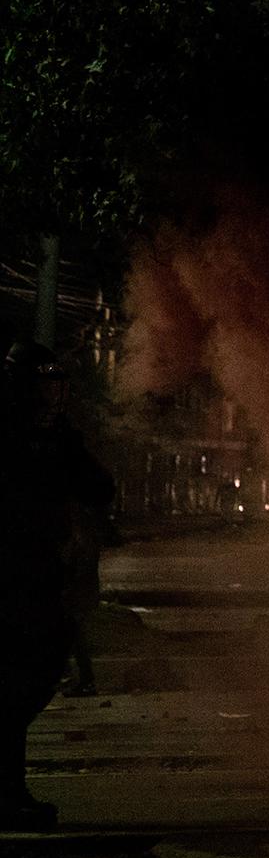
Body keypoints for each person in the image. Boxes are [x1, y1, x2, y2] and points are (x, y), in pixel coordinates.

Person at [0, 342, 113, 831]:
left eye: (57, 386)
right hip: (10, 574)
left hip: (40, 572)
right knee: (17, 682)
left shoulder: (57, 438)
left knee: (36, 675)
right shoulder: (9, 434)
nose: (54, 397)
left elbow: (97, 487)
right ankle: (8, 794)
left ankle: (10, 791)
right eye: (45, 386)